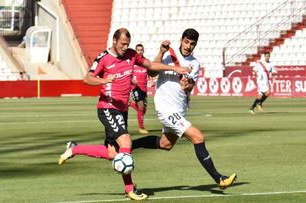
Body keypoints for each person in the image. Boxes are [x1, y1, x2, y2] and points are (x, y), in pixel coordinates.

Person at [57, 28, 190, 201]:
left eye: (127, 44)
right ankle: (129, 189)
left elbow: (150, 65)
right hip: (107, 107)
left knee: (113, 153)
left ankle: (74, 149)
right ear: (114, 41)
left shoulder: (132, 54)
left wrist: (175, 68)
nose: (125, 47)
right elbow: (87, 78)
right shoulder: (104, 57)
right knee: (126, 142)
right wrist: (104, 80)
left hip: (122, 110)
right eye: (122, 44)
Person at [132, 28, 237, 189]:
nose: (188, 46)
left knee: (165, 144)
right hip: (166, 108)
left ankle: (128, 146)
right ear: (181, 40)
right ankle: (219, 179)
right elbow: (152, 72)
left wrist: (186, 86)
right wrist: (161, 52)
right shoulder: (169, 55)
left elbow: (190, 86)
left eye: (192, 44)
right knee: (198, 137)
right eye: (186, 42)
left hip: (179, 110)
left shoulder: (195, 63)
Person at [130, 44, 149, 134]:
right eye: (138, 50)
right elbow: (127, 73)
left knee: (143, 110)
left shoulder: (146, 62)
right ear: (136, 51)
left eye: (141, 50)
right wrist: (131, 80)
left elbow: (150, 73)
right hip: (135, 88)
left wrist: (152, 80)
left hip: (144, 88)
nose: (140, 51)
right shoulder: (132, 62)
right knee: (141, 106)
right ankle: (141, 128)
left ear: (143, 51)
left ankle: (130, 103)